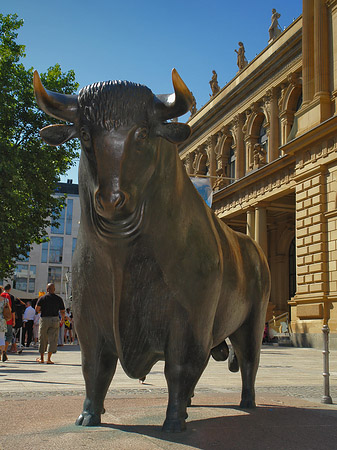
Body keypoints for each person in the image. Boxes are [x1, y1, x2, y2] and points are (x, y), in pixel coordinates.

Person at [35, 283, 65, 364]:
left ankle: (41, 358)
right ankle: (49, 358)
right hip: (55, 319)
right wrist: (62, 318)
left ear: (47, 289)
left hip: (44, 319)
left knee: (43, 338)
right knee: (53, 339)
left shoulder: (42, 298)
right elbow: (62, 311)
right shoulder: (59, 299)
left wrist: (41, 310)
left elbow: (37, 309)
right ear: (54, 289)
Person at [1, 284, 15, 361]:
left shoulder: (1, 296)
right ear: (9, 289)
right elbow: (12, 310)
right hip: (6, 320)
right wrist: (13, 320)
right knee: (7, 336)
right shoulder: (10, 297)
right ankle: (4, 352)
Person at [0, 287, 8, 361]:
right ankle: (3, 351)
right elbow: (9, 309)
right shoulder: (5, 300)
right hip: (2, 319)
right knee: (2, 338)